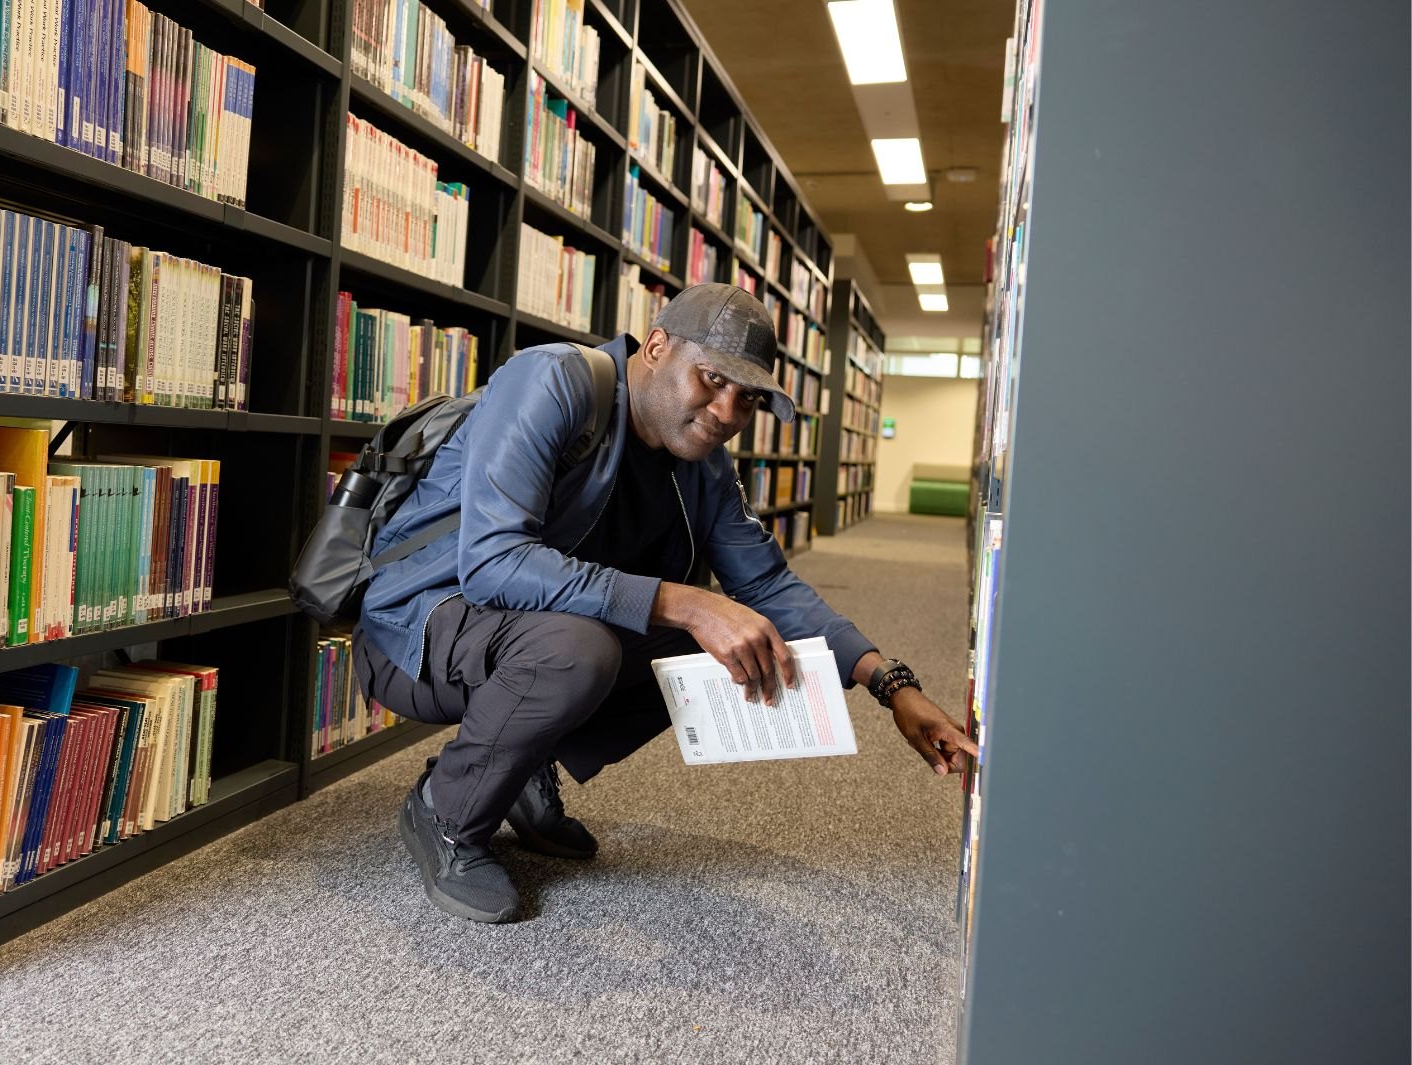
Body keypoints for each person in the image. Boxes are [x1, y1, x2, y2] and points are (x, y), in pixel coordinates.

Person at [351, 283, 977, 924]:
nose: (726, 411)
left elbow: (765, 587)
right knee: (590, 646)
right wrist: (686, 602)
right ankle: (447, 810)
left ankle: (517, 765)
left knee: (724, 638)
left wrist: (892, 684)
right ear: (655, 347)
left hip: (525, 640)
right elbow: (492, 563)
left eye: (748, 399)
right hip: (416, 632)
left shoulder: (701, 463)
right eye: (711, 380)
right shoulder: (550, 382)